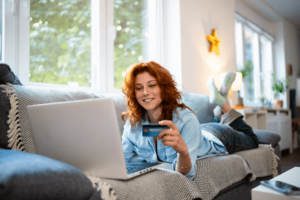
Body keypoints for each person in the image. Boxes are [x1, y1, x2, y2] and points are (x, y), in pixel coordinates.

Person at [121, 61, 258, 180]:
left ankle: (223, 104)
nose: (145, 92)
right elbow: (122, 162)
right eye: (139, 88)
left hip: (219, 135)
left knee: (251, 138)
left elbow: (187, 175)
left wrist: (183, 152)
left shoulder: (186, 119)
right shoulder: (132, 124)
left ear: (163, 88)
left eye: (152, 85)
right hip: (198, 131)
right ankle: (219, 105)